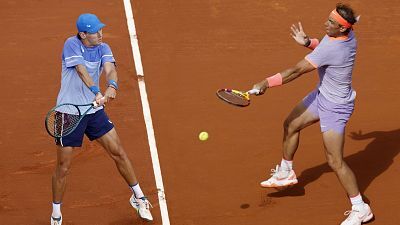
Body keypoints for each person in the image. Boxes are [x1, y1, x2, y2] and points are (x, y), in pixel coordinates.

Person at [252, 3, 374, 225]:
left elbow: (296, 71)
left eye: (331, 23)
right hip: (321, 96)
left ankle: (360, 208)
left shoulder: (335, 48)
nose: (325, 24)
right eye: (328, 19)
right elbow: (323, 46)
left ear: (343, 29)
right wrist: (309, 43)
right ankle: (286, 171)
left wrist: (265, 83)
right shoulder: (345, 36)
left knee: (334, 161)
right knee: (290, 125)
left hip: (336, 108)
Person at [50, 13, 152, 225]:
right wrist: (97, 91)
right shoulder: (71, 44)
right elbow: (80, 71)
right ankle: (56, 215)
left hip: (93, 113)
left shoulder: (103, 48)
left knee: (119, 153)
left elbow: (110, 69)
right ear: (83, 34)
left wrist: (112, 86)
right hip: (69, 113)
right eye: (95, 31)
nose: (100, 34)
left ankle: (139, 197)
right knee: (63, 167)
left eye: (101, 29)